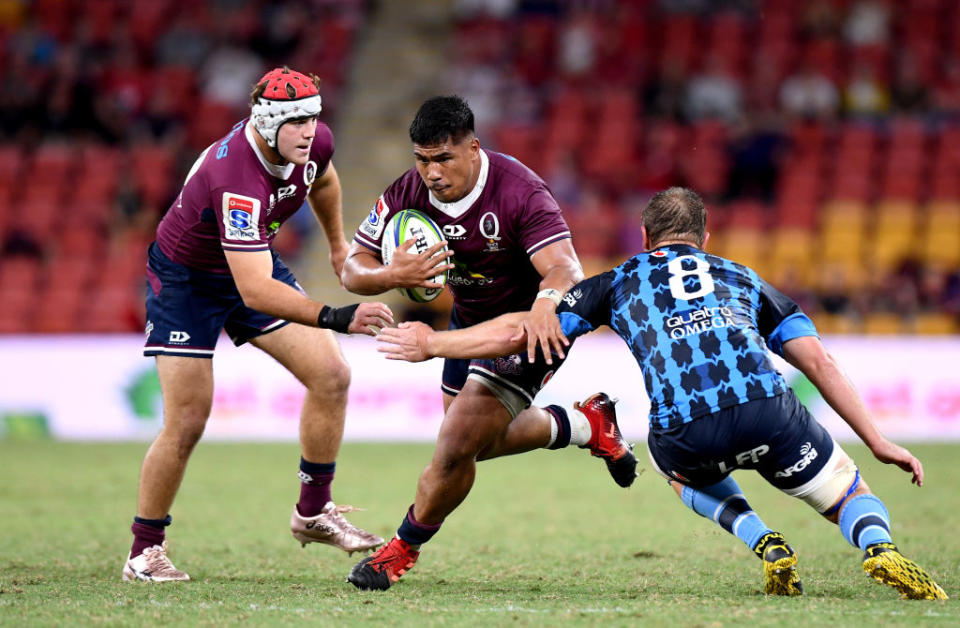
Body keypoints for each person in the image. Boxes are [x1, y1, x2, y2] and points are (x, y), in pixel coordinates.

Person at [376, 187, 949, 600]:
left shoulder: (617, 281)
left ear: (645, 238)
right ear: (706, 238)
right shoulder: (744, 277)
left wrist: (435, 344)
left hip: (685, 431)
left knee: (678, 468)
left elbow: (526, 330)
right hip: (770, 414)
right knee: (848, 493)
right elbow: (817, 360)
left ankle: (763, 540)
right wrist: (878, 440)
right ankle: (878, 547)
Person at [340, 95, 638, 590]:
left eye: (442, 158)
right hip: (469, 324)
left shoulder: (519, 190)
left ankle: (399, 551)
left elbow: (565, 267)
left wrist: (546, 303)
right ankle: (585, 424)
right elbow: (353, 269)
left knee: (455, 447)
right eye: (422, 159)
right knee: (472, 447)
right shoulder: (406, 192)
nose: (430, 172)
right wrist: (392, 273)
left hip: (532, 329)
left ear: (473, 149)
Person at [124, 67, 395, 582]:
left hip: (248, 262)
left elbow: (325, 178)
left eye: (313, 118)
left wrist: (338, 244)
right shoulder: (237, 180)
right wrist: (337, 316)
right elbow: (255, 291)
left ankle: (314, 511)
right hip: (187, 282)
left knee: (331, 376)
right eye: (295, 122)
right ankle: (144, 551)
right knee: (187, 420)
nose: (309, 131)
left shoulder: (314, 142)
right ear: (267, 124)